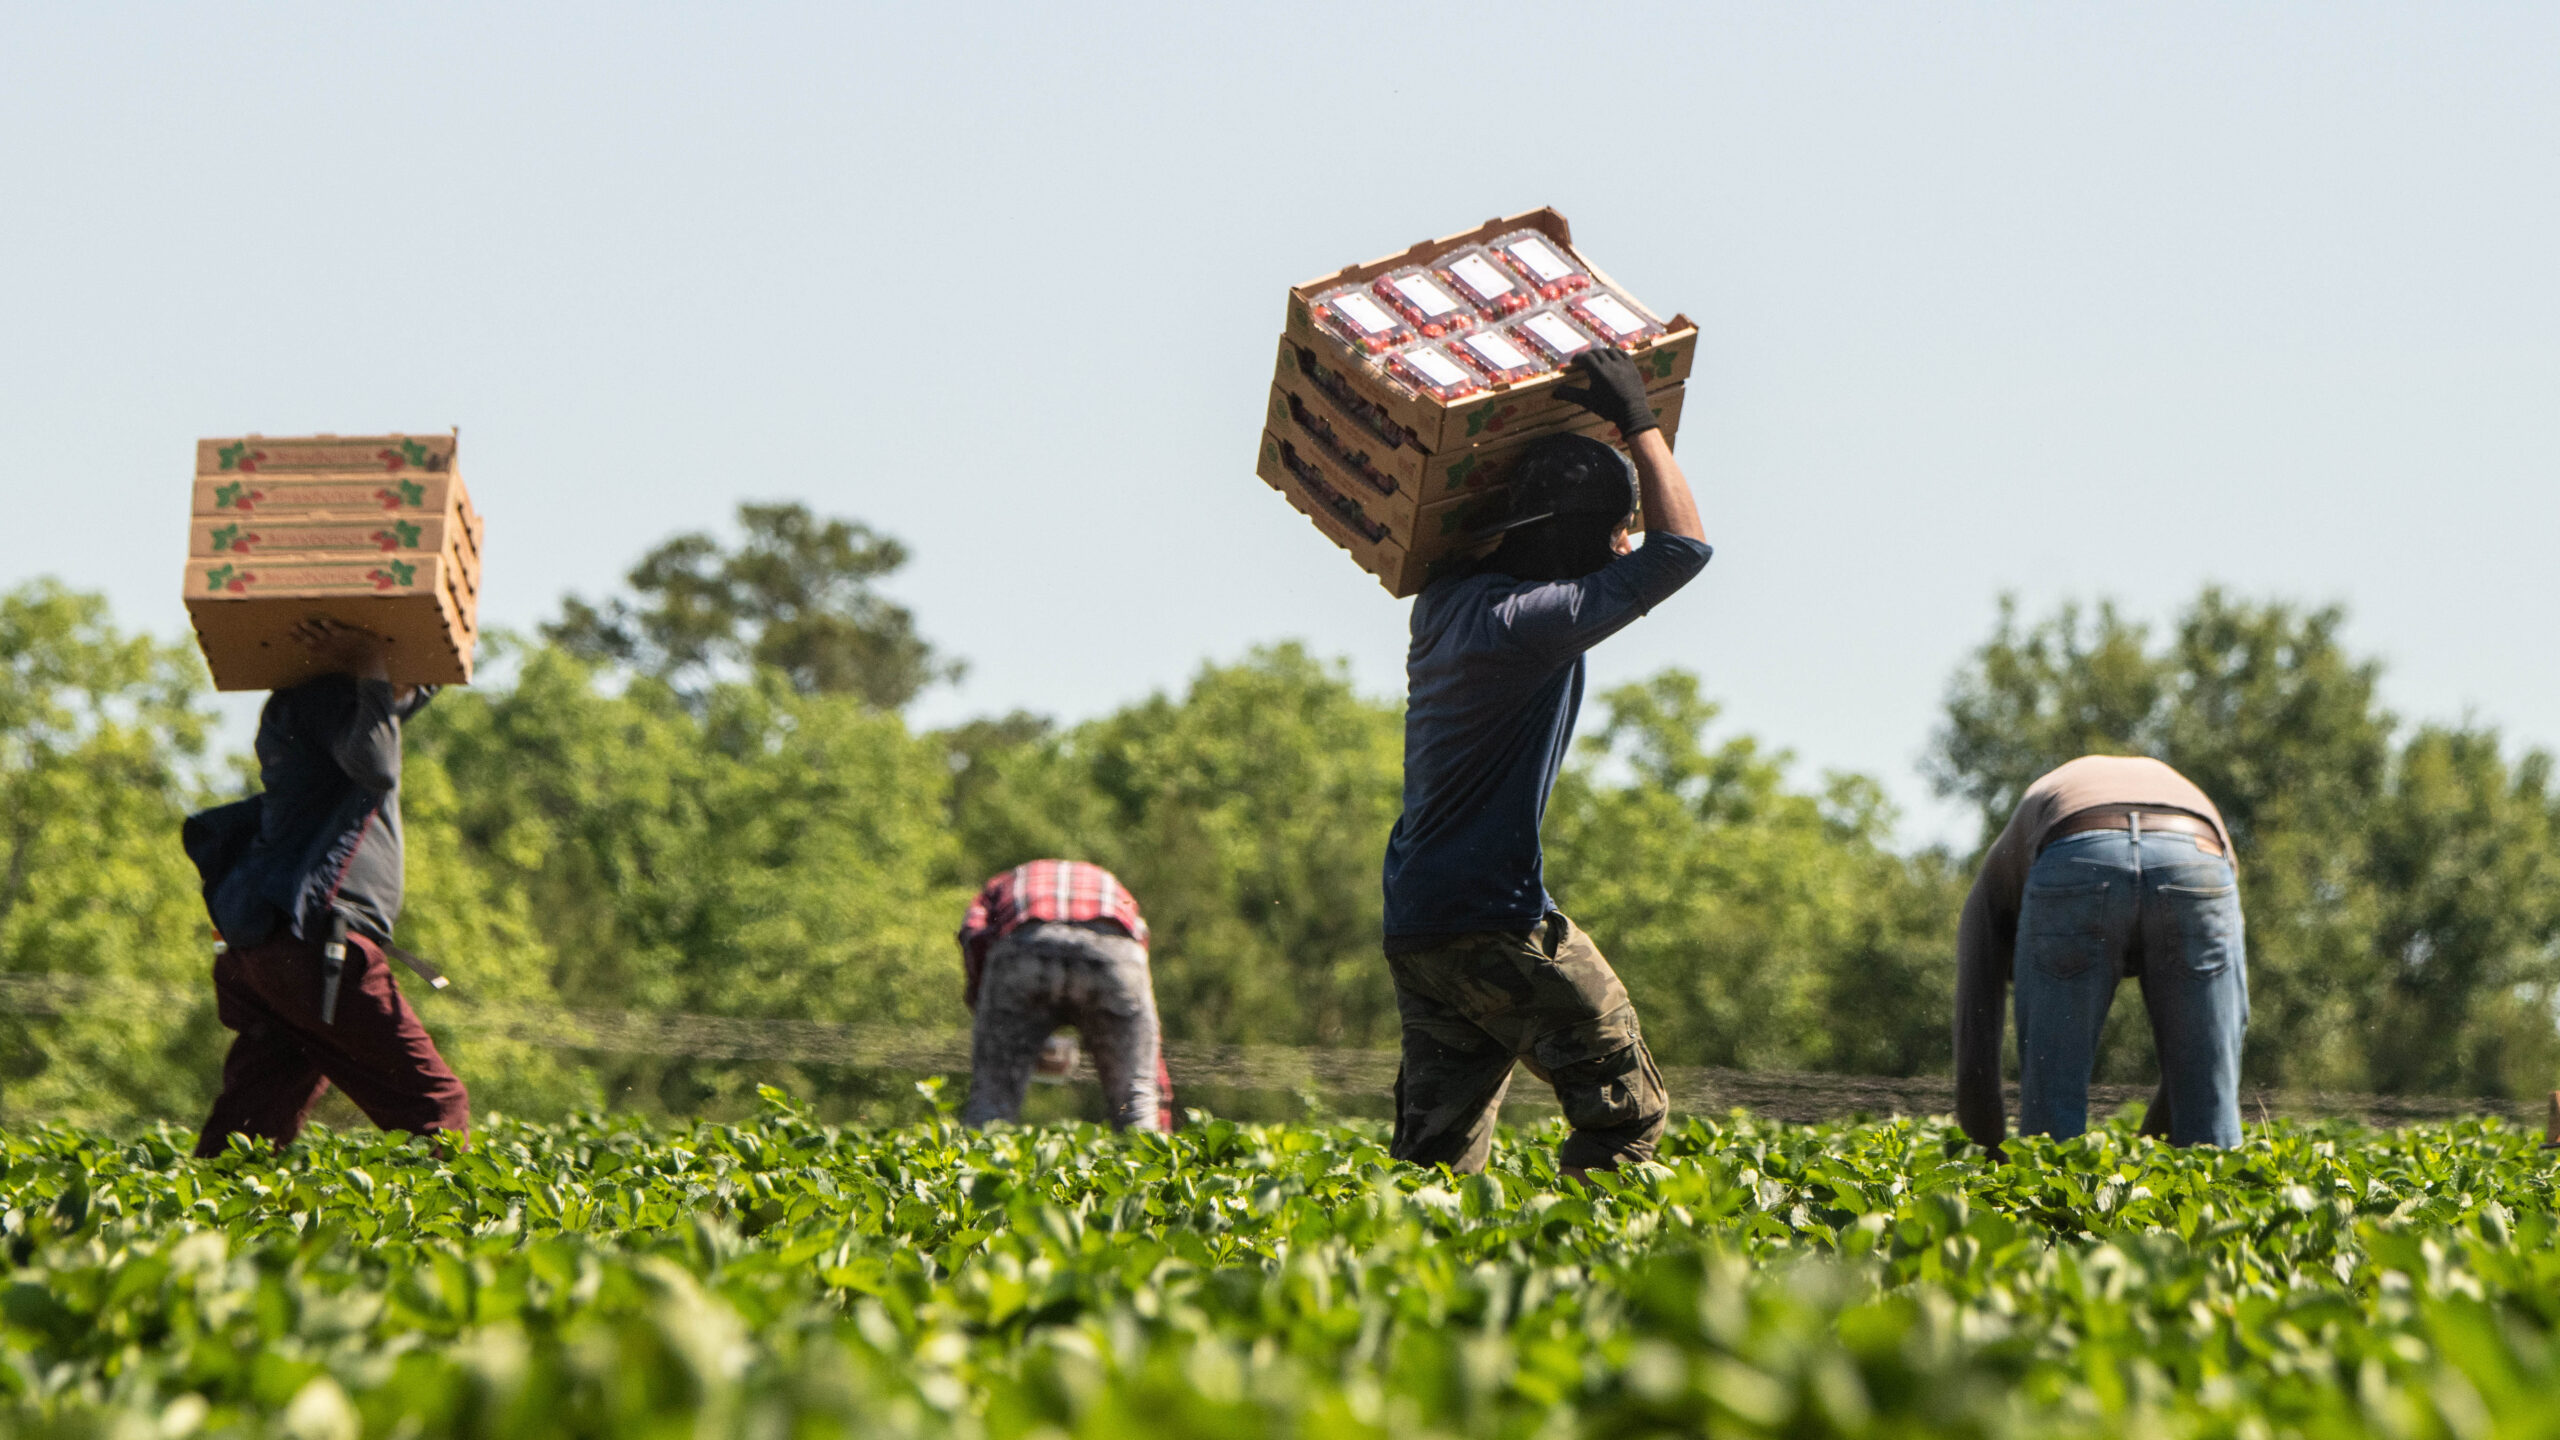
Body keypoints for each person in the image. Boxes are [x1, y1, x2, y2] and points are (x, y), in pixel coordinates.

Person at [1380, 347, 1712, 1177]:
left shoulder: (1447, 602)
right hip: (1497, 917)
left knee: (1434, 1162)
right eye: (1613, 528)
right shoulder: (1533, 623)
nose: (1624, 542)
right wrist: (1639, 419)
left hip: (1420, 921)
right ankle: (1587, 1291)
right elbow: (1682, 552)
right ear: (1576, 539)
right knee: (1626, 1114)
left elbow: (1492, 522)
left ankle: (1415, 1294)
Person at [184, 618, 471, 1155]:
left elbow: (383, 717)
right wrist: (372, 664)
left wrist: (419, 665)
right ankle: (442, 1236)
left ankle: (196, 1225)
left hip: (267, 954)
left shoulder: (298, 706)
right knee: (435, 1107)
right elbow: (377, 763)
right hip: (317, 948)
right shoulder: (331, 702)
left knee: (254, 1118)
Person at [1952, 755, 2246, 1153]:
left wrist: (1988, 1156)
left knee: (2050, 1128)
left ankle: (2052, 1203)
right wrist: (2151, 1154)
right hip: (2198, 856)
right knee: (2210, 1121)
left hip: (2076, 850)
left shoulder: (1990, 891)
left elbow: (1975, 1043)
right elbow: (2215, 1042)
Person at [957, 859, 1174, 1131]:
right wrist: (1161, 1112)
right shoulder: (1111, 885)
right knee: (1134, 1099)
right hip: (1113, 954)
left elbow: (974, 936)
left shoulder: (998, 884)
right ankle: (1153, 1166)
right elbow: (1138, 970)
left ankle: (976, 1166)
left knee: (992, 1101)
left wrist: (991, 1018)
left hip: (1026, 944)